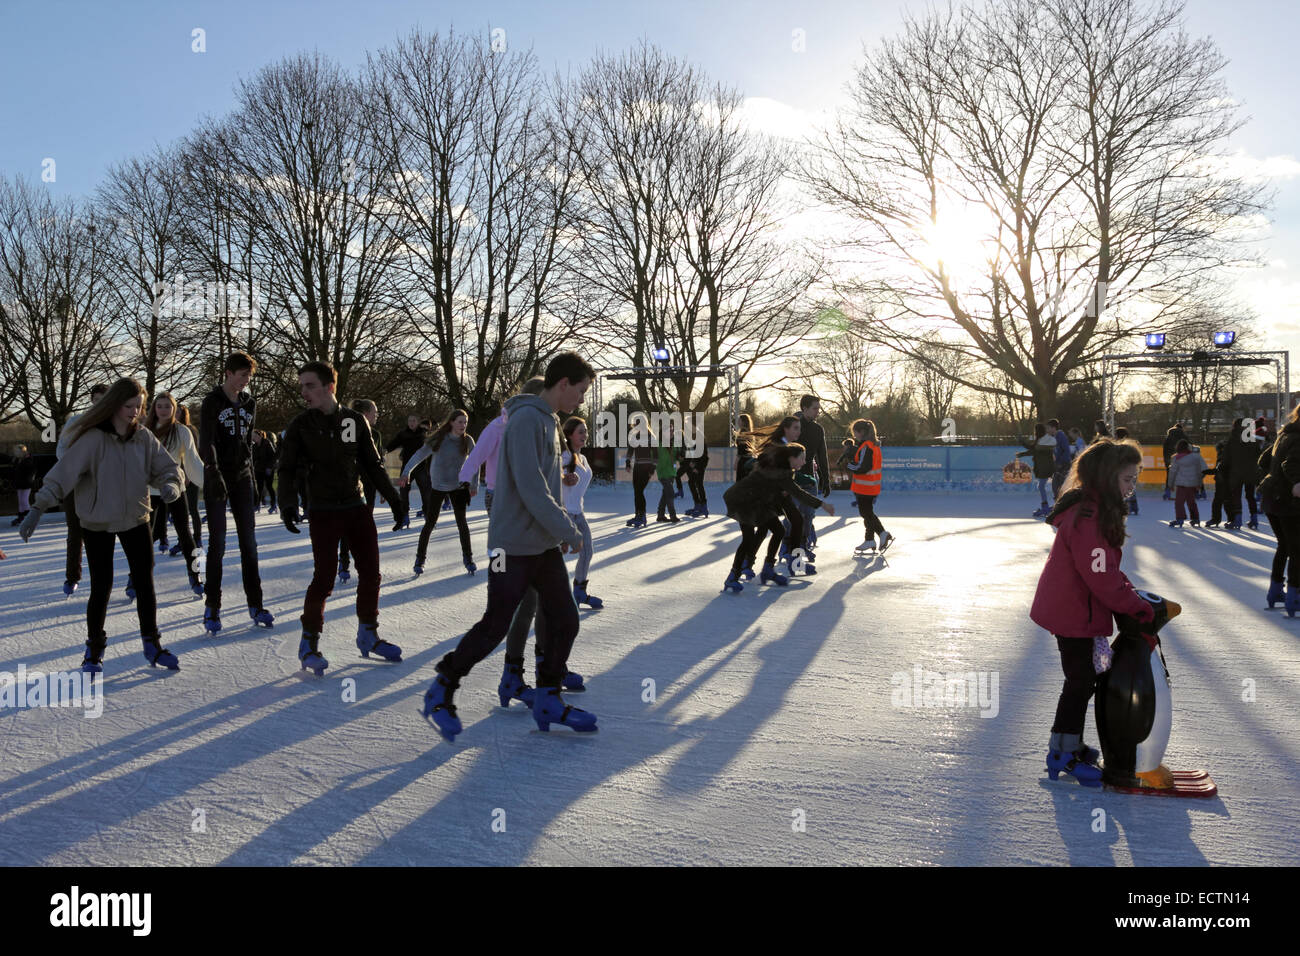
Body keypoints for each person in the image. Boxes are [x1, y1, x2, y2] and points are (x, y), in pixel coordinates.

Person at [420, 351, 597, 742]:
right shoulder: (525, 421)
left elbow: (547, 486)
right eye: (581, 391)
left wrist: (556, 532)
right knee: (495, 624)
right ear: (563, 383)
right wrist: (568, 529)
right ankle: (442, 687)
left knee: (565, 619)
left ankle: (548, 695)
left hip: (540, 544)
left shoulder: (549, 422)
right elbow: (531, 487)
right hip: (511, 546)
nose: (582, 400)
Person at [19, 378, 185, 673]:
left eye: (139, 407)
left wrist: (171, 484)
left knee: (145, 583)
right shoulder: (92, 438)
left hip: (136, 518)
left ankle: (152, 645)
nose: (135, 412)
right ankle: (94, 649)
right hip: (96, 521)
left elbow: (167, 467)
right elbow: (62, 475)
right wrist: (37, 508)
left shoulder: (144, 437)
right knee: (102, 586)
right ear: (114, 404)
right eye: (129, 406)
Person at [1029, 438, 1153, 787]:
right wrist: (1134, 606)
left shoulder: (1097, 509)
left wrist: (1130, 593)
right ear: (1106, 477)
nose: (1133, 486)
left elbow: (1107, 569)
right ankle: (1062, 752)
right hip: (1071, 610)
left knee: (1083, 679)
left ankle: (1068, 744)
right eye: (1128, 478)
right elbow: (1099, 576)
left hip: (1074, 606)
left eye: (1135, 478)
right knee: (1080, 679)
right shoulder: (1090, 516)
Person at [277, 362, 407, 674]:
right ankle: (309, 641)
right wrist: (287, 503)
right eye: (301, 386)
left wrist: (394, 500)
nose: (303, 392)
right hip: (323, 510)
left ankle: (368, 634)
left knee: (371, 573)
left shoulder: (354, 421)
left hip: (355, 505)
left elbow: (372, 464)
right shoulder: (300, 425)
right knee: (324, 578)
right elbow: (287, 468)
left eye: (309, 385)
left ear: (329, 387)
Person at [198, 352, 273, 633]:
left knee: (249, 544)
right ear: (228, 373)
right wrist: (213, 469)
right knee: (217, 543)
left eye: (248, 377)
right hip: (217, 474)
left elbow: (248, 444)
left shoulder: (249, 403)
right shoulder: (212, 401)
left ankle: (256, 603)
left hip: (242, 474)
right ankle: (212, 607)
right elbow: (206, 441)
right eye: (242, 376)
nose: (245, 382)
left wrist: (252, 479)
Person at [721, 442, 835, 592]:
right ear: (792, 458)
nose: (804, 461)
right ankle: (733, 576)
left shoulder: (783, 469)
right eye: (802, 458)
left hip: (758, 502)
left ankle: (768, 568)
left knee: (779, 530)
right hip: (743, 501)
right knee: (748, 539)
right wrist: (822, 505)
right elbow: (797, 492)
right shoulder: (780, 471)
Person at [400, 409, 478, 575]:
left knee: (462, 524)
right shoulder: (439, 438)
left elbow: (475, 462)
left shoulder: (468, 440)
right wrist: (406, 471)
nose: (463, 425)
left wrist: (473, 485)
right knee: (430, 524)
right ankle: (420, 559)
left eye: (465, 422)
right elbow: (419, 454)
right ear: (451, 422)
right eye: (460, 422)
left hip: (458, 487)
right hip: (438, 486)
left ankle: (468, 558)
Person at [144, 392, 204, 597]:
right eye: (159, 406)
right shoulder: (145, 431)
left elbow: (192, 460)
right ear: (154, 409)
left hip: (176, 488)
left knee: (185, 534)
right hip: (150, 491)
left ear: (174, 409)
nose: (163, 410)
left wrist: (208, 482)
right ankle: (135, 579)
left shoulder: (182, 431)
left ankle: (195, 574)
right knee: (145, 537)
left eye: (167, 406)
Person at [55, 383, 109, 595]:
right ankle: (72, 576)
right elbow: (61, 449)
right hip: (75, 482)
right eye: (96, 400)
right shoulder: (76, 421)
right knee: (75, 530)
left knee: (102, 532)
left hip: (103, 485)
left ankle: (103, 575)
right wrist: (76, 468)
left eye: (104, 401)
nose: (100, 405)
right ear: (91, 401)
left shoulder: (114, 423)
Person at [338, 400, 382, 584]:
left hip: (369, 486)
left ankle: (365, 565)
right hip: (352, 486)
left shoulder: (376, 434)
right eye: (375, 411)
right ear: (364, 413)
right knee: (349, 527)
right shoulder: (348, 428)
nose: (377, 415)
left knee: (365, 528)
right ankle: (344, 562)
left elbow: (377, 461)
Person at [562, 416, 602, 609]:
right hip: (563, 514)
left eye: (586, 431)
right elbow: (549, 473)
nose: (585, 435)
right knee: (551, 557)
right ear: (569, 435)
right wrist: (563, 477)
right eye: (580, 431)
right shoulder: (563, 456)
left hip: (578, 512)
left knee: (587, 551)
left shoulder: (583, 458)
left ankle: (579, 591)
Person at [846, 419, 893, 553]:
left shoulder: (867, 446)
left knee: (866, 513)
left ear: (861, 432)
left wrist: (849, 465)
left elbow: (863, 467)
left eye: (855, 433)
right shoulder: (873, 445)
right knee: (868, 513)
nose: (854, 436)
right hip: (871, 486)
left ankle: (882, 533)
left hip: (865, 487)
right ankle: (869, 540)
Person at [387, 414, 431, 526]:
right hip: (406, 467)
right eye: (410, 420)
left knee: (426, 491)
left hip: (421, 467)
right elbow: (393, 444)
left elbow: (431, 448)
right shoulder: (403, 434)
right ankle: (404, 514)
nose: (411, 423)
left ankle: (427, 513)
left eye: (414, 420)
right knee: (403, 491)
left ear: (418, 421)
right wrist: (385, 450)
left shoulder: (424, 433)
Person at [1223, 417, 1260, 530]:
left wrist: (1224, 470)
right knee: (1250, 496)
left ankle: (1237, 520)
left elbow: (1226, 457)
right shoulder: (1252, 438)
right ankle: (1254, 519)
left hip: (1236, 472)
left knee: (1236, 496)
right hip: (1250, 472)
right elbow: (1258, 455)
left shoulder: (1232, 438)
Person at [624, 414, 657, 527]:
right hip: (637, 467)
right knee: (637, 492)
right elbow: (630, 451)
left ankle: (642, 515)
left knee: (639, 491)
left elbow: (656, 455)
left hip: (646, 468)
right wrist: (628, 463)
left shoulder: (650, 437)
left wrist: (653, 468)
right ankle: (638, 514)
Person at [1016, 423, 1056, 517]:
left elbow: (1033, 449)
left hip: (1044, 467)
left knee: (1041, 486)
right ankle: (1046, 506)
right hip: (1046, 466)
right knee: (1042, 486)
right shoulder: (1044, 440)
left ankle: (1045, 507)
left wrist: (1021, 442)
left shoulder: (1042, 440)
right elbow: (1034, 450)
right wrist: (1022, 453)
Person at [1167, 438, 1208, 527]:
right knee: (1191, 501)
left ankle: (1180, 519)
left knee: (1179, 502)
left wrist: (1170, 484)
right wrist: (1199, 482)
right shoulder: (1196, 456)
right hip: (1193, 484)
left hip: (1181, 484)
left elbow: (1172, 472)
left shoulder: (1176, 458)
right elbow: (1204, 469)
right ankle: (1195, 519)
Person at [656, 419, 680, 523]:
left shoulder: (674, 443)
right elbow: (654, 457)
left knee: (665, 494)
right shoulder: (658, 444)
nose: (672, 432)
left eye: (672, 430)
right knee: (670, 493)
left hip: (671, 472)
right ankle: (672, 515)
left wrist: (681, 456)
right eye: (670, 430)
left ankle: (660, 515)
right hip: (663, 473)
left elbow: (677, 456)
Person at [251, 429, 279, 514]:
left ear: (260, 436)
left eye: (255, 436)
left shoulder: (267, 443)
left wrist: (269, 467)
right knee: (258, 487)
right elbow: (253, 458)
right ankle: (257, 505)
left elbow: (273, 457)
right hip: (259, 469)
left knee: (269, 486)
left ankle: (273, 505)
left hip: (268, 469)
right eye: (253, 437)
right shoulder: (254, 446)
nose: (254, 438)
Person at [1113, 427, 1139, 515]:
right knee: (1131, 488)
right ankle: (1133, 507)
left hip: (1126, 470)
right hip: (1133, 470)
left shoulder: (1119, 447)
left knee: (1126, 489)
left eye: (1115, 435)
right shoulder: (1133, 444)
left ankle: (1128, 507)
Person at [9, 444, 35, 527]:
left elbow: (31, 472)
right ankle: (21, 517)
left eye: (16, 452)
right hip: (20, 483)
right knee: (21, 501)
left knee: (24, 501)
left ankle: (30, 518)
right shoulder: (19, 459)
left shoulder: (28, 460)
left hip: (26, 483)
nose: (14, 453)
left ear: (21, 452)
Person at [1161, 422, 1187, 500]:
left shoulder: (1168, 438)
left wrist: (1167, 461)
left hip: (1169, 460)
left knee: (1170, 476)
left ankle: (1167, 492)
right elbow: (1189, 447)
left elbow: (1165, 450)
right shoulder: (1184, 436)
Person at [1047, 418, 1071, 500]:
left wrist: (1061, 463)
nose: (1048, 430)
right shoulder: (1054, 437)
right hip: (1058, 465)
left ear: (1053, 428)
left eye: (1049, 428)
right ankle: (1058, 503)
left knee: (1060, 486)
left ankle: (1062, 503)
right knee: (1055, 486)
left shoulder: (1061, 436)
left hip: (1064, 465)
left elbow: (1066, 451)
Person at [734, 413, 755, 482]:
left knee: (740, 482)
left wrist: (736, 462)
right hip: (749, 460)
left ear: (743, 422)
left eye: (739, 420)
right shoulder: (749, 433)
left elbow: (741, 450)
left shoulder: (742, 433)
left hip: (743, 461)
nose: (738, 422)